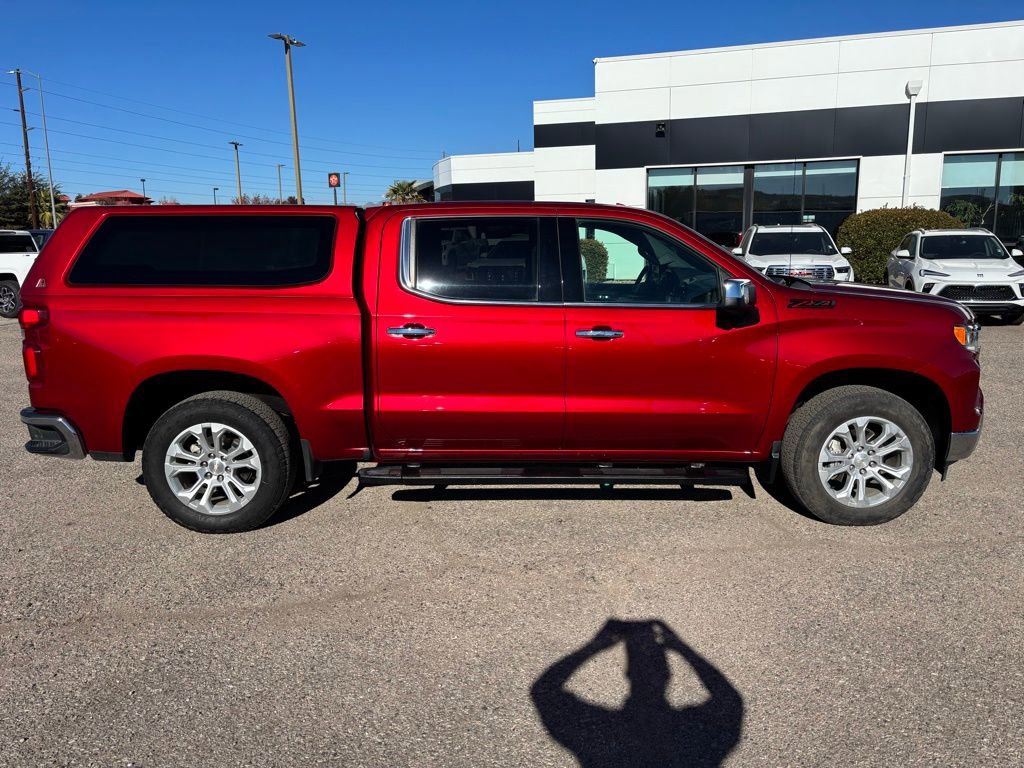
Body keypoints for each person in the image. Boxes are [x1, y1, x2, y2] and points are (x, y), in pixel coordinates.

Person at [531, 619, 743, 767]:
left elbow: (544, 691)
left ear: (628, 674)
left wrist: (594, 646)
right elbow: (730, 701)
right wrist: (683, 649)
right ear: (667, 675)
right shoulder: (692, 740)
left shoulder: (602, 736)